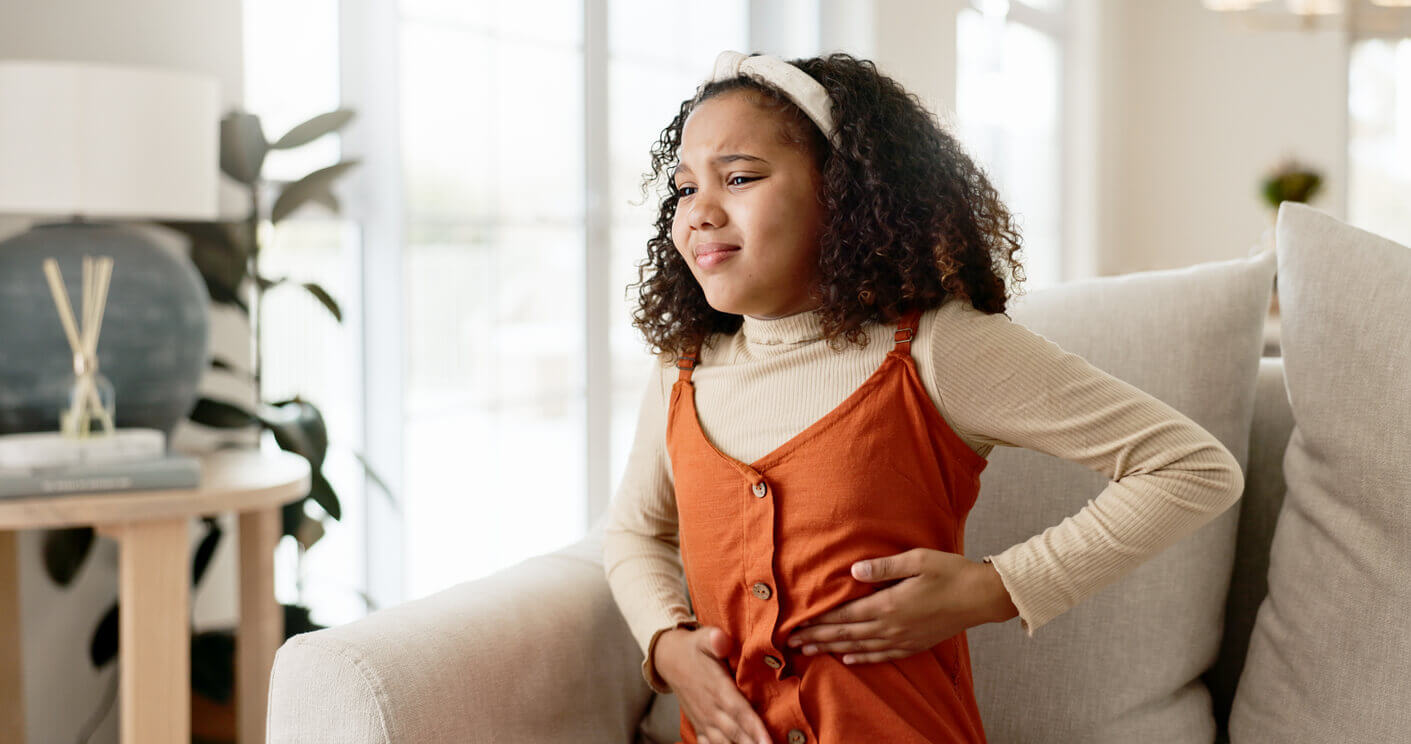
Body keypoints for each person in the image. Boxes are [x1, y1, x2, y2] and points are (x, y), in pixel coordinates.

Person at [602, 50, 1243, 744]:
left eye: (739, 177)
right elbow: (637, 531)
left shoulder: (937, 351)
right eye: (684, 189)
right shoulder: (683, 370)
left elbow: (1190, 467)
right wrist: (667, 645)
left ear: (842, 193)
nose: (699, 212)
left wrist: (995, 588)